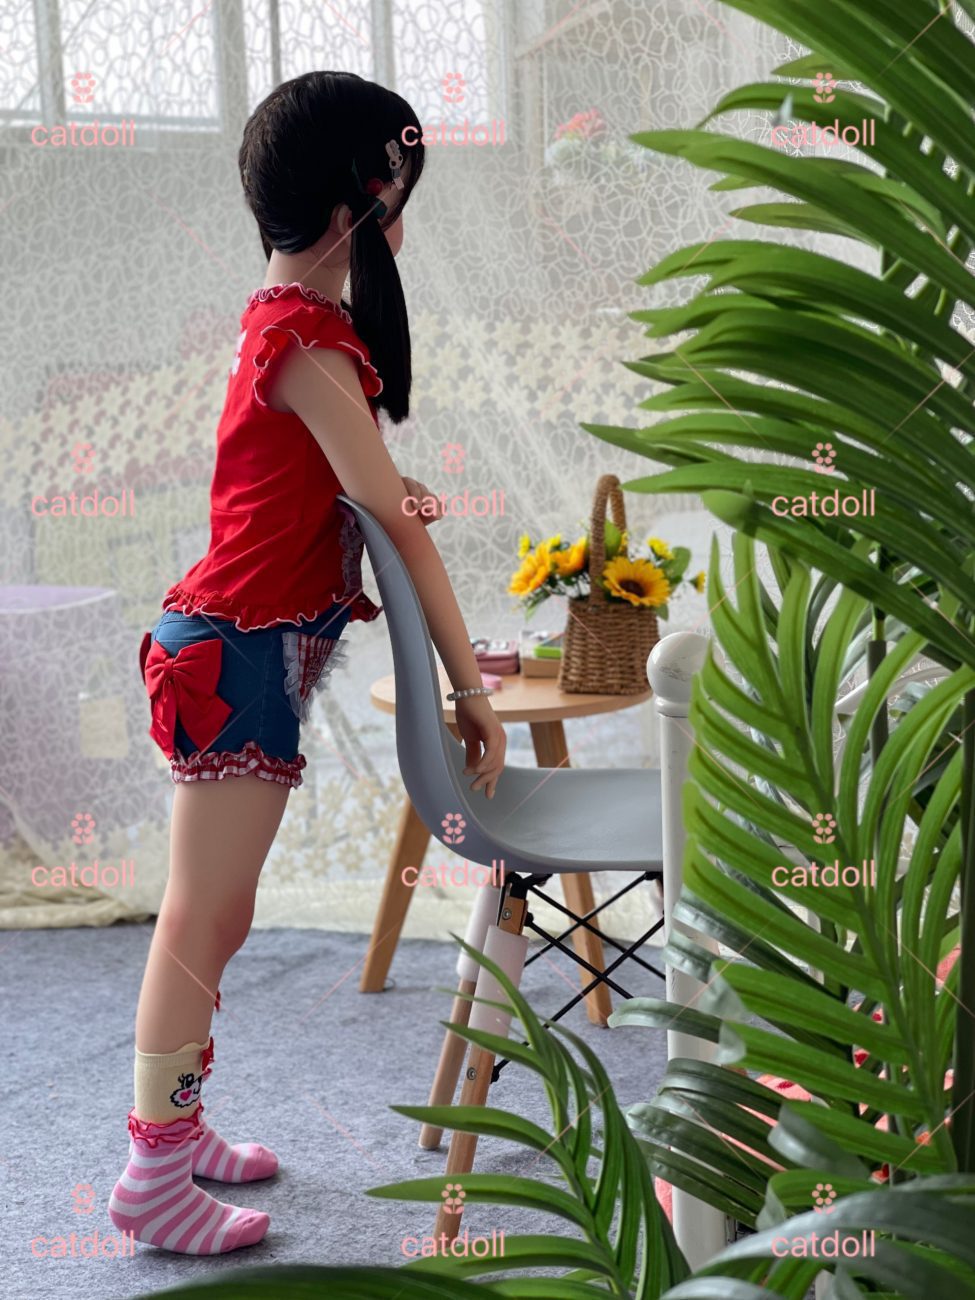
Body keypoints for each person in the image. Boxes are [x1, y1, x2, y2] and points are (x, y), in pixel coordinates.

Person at [108, 70, 507, 1256]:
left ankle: (177, 1130)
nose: (403, 224)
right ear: (354, 208)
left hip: (245, 652)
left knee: (216, 917)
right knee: (202, 916)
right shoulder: (309, 345)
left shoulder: (294, 332)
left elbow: (349, 497)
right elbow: (403, 534)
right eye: (398, 197)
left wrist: (384, 494)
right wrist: (470, 689)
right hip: (234, 655)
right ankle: (152, 1169)